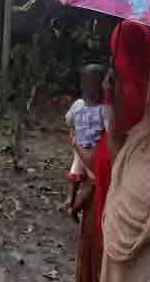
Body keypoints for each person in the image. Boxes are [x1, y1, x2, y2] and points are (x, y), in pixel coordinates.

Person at [74, 20, 150, 282]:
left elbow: (106, 168)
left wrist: (75, 144)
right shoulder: (121, 126)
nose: (108, 82)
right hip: (96, 227)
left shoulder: (140, 162)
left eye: (117, 71)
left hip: (107, 246)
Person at [65, 64, 109, 218]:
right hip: (80, 148)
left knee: (93, 182)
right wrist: (73, 130)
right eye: (88, 84)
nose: (91, 90)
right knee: (75, 175)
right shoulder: (78, 105)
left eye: (95, 85)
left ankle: (76, 207)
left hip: (94, 152)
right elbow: (69, 119)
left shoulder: (103, 109)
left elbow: (109, 130)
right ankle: (71, 199)